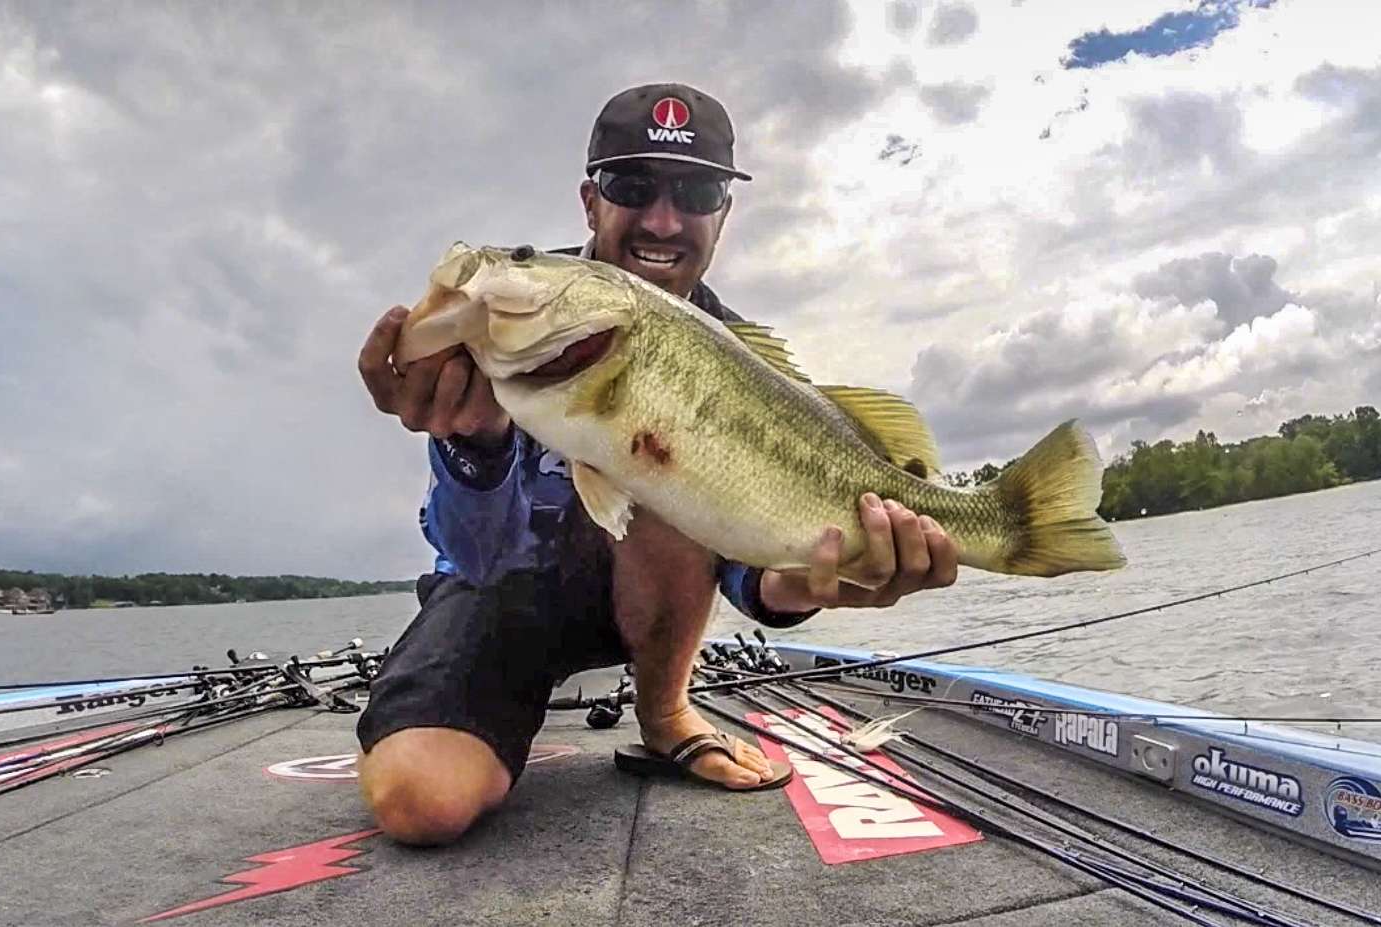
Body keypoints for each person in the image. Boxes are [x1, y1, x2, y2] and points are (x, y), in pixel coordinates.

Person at [354, 82, 960, 846]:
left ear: (723, 214)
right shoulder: (519, 321)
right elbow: (474, 558)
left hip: (655, 599)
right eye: (633, 187)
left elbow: (747, 558)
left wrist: (806, 581)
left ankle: (666, 711)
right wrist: (474, 447)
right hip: (503, 594)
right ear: (589, 202)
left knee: (664, 471)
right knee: (420, 801)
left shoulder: (738, 355)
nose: (665, 220)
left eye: (698, 191)